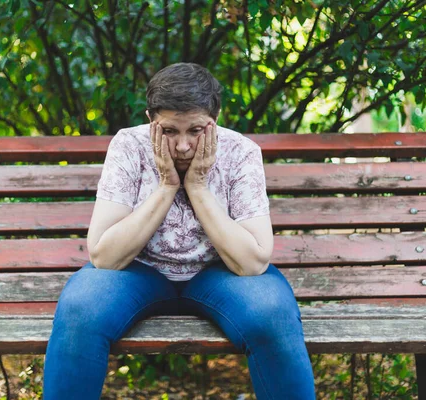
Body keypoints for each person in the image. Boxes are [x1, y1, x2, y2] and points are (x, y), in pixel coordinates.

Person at [43, 63, 316, 399]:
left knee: (272, 313)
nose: (184, 146)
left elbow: (253, 264)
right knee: (80, 309)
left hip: (220, 274)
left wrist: (198, 187)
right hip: (138, 271)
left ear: (215, 118)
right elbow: (104, 256)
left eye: (196, 130)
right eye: (170, 131)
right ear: (150, 119)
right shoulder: (129, 146)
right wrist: (167, 185)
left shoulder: (241, 152)